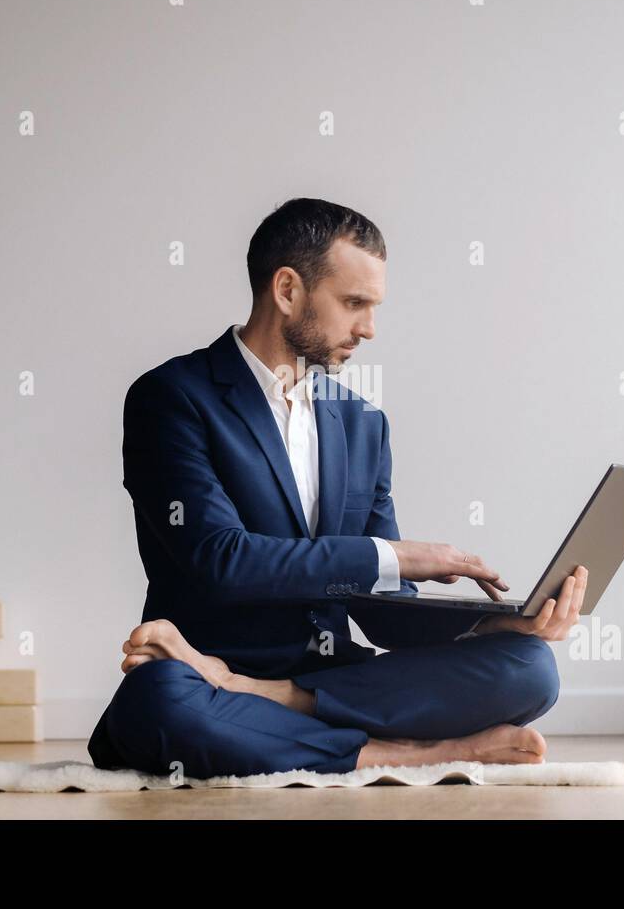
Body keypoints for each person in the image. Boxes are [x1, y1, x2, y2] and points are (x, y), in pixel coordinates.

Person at [87, 197, 588, 778]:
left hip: (330, 680)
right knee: (158, 702)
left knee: (529, 666)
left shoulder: (361, 424)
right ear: (287, 290)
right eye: (354, 304)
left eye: (373, 307)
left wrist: (499, 622)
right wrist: (394, 556)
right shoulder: (171, 398)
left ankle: (272, 701)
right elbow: (219, 560)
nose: (369, 329)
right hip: (199, 670)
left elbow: (382, 615)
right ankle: (405, 752)